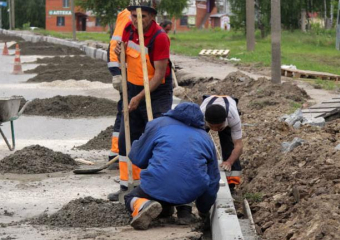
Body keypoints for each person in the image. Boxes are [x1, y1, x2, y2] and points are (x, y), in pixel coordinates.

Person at [107, 0, 173, 201]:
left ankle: (157, 188)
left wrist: (138, 97)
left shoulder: (159, 38)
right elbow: (127, 60)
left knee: (157, 138)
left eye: (142, 16)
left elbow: (158, 75)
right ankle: (128, 186)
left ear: (152, 17)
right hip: (133, 87)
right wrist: (120, 59)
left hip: (156, 91)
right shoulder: (128, 29)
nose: (137, 21)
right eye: (134, 16)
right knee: (127, 139)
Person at [124, 102, 220, 230]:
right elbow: (213, 180)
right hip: (190, 192)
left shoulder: (158, 124)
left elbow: (138, 158)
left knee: (129, 197)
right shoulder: (206, 138)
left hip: (158, 185)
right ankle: (184, 212)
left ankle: (144, 205)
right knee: (189, 177)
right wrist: (203, 209)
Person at [200, 95, 243, 193]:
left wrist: (229, 162)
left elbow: (239, 146)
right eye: (212, 127)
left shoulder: (233, 117)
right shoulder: (200, 115)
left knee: (229, 144)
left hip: (229, 109)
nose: (214, 130)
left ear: (225, 120)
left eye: (218, 127)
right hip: (207, 114)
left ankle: (231, 184)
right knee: (200, 143)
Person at [107, 9, 131, 167]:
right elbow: (115, 45)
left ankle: (121, 152)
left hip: (132, 72)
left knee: (127, 111)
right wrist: (116, 72)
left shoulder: (135, 15)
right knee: (126, 111)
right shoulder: (129, 16)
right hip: (126, 72)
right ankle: (118, 152)